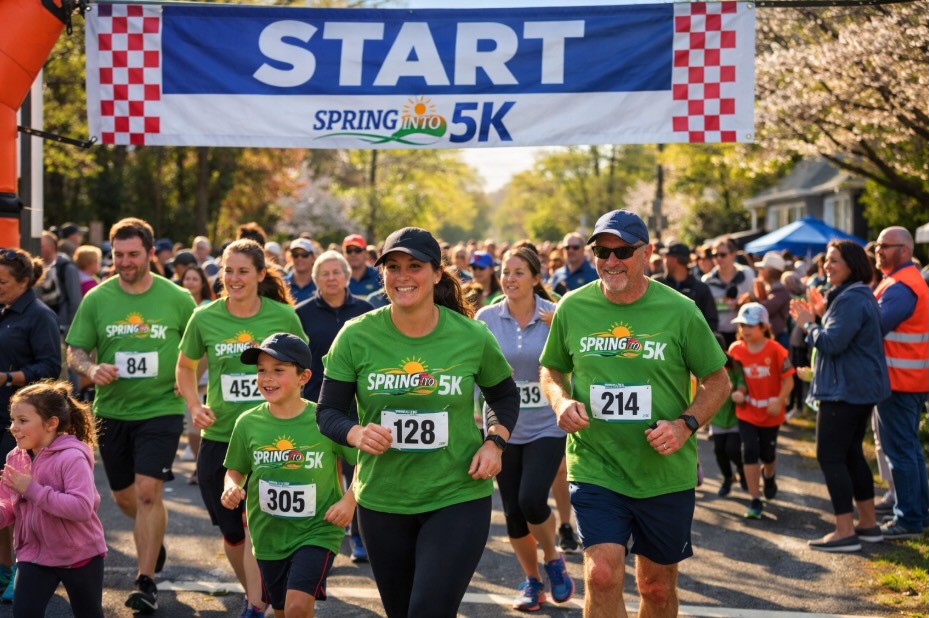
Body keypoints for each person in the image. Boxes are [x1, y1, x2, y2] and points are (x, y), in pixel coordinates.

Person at [316, 226, 520, 618]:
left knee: (428, 610)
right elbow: (328, 412)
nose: (402, 276)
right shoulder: (356, 335)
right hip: (382, 499)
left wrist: (495, 442)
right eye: (392, 267)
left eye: (414, 266)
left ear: (437, 273)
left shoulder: (471, 335)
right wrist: (355, 432)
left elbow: (504, 396)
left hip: (457, 495)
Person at [539, 209, 730, 617]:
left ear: (646, 253)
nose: (610, 261)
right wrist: (560, 401)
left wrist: (685, 425)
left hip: (663, 471)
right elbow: (551, 368)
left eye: (622, 251)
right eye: (601, 251)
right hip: (596, 464)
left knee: (656, 587)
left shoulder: (679, 310)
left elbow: (718, 380)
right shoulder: (572, 307)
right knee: (601, 575)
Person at [66, 217, 196, 614]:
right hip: (112, 410)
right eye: (117, 254)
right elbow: (76, 351)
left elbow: (201, 345)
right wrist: (90, 370)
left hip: (161, 409)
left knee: (146, 492)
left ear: (150, 254)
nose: (124, 261)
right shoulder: (98, 299)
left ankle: (146, 581)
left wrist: (188, 378)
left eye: (132, 254)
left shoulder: (177, 298)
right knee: (124, 496)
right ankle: (152, 542)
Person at [176, 238, 307, 618]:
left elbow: (303, 371)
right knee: (231, 529)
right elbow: (185, 367)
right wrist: (194, 405)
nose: (233, 278)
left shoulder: (282, 316)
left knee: (256, 525)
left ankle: (255, 602)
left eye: (243, 271)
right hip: (221, 436)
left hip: (270, 436)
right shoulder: (205, 317)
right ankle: (258, 590)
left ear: (260, 275)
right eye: (227, 270)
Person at [222, 333, 357, 618]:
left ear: (303, 377)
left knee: (297, 605)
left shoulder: (324, 420)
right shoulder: (247, 423)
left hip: (317, 530)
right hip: (268, 535)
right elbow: (236, 468)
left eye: (278, 370)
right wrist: (231, 486)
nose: (267, 378)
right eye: (261, 370)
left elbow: (364, 462)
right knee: (283, 611)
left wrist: (349, 501)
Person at [475, 247, 574, 611]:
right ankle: (533, 581)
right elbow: (476, 364)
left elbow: (576, 360)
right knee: (514, 511)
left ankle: (553, 558)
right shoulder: (486, 316)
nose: (510, 279)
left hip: (547, 425)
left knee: (532, 499)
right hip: (502, 425)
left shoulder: (556, 314)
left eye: (519, 272)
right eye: (506, 272)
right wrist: (474, 409)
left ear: (536, 278)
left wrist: (560, 330)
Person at [789, 240, 891, 551]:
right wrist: (820, 316)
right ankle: (868, 524)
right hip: (856, 388)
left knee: (831, 457)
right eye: (826, 261)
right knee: (851, 455)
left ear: (852, 264)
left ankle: (844, 531)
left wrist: (809, 326)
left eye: (834, 260)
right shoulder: (856, 295)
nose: (827, 266)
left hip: (845, 391)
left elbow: (832, 343)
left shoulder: (851, 299)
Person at [0, 380, 106, 617]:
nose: (14, 427)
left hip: (80, 555)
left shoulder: (72, 457)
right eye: (13, 420)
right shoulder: (14, 457)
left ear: (51, 424)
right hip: (33, 556)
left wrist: (32, 489)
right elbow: (8, 504)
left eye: (23, 421)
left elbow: (81, 508)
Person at [295, 250, 374, 562]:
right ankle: (316, 536)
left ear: (346, 276)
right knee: (319, 472)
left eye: (335, 272)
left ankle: (359, 536)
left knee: (357, 468)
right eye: (324, 273)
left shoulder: (366, 311)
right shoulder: (301, 313)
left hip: (358, 404)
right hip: (316, 404)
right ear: (315, 280)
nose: (330, 278)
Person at [0, 248, 62, 600]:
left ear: (24, 282)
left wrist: (8, 378)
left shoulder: (40, 316)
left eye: (3, 282)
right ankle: (4, 567)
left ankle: (22, 570)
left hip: (22, 423)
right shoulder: (3, 309)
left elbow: (51, 368)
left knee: (19, 497)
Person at [872, 227, 929, 539]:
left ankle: (908, 519)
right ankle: (918, 511)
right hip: (907, 379)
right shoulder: (901, 281)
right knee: (909, 449)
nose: (879, 251)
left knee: (901, 450)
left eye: (885, 246)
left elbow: (876, 326)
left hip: (899, 381)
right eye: (878, 245)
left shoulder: (902, 285)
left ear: (904, 251)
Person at [727, 303, 794, 519]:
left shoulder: (776, 350)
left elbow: (789, 382)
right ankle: (755, 499)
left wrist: (779, 401)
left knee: (767, 454)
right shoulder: (735, 349)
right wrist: (734, 392)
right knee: (750, 451)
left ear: (764, 326)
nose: (746, 329)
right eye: (742, 324)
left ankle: (770, 473)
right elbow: (730, 378)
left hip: (771, 414)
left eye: (751, 325)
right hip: (746, 412)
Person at [702, 236, 756, 348]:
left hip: (743, 333)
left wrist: (744, 302)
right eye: (715, 255)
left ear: (733, 254)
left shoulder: (747, 274)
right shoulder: (707, 280)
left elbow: (755, 300)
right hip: (716, 334)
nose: (718, 258)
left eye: (722, 255)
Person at [711, 333, 746, 497]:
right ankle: (727, 478)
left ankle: (742, 469)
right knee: (719, 451)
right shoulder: (704, 364)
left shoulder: (733, 364)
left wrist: (740, 392)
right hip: (716, 418)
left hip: (734, 417)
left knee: (732, 449)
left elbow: (741, 382)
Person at [655, 242, 719, 332]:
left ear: (674, 260)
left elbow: (711, 322)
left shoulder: (701, 289)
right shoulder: (656, 284)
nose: (664, 261)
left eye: (666, 257)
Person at [741, 251, 791, 349]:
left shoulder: (780, 291)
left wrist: (754, 296)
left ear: (769, 271)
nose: (760, 271)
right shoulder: (773, 290)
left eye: (762, 269)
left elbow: (764, 309)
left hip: (779, 338)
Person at [38, 230, 82, 336]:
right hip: (44, 324)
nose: (38, 249)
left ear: (52, 247)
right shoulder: (38, 268)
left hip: (62, 325)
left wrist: (71, 327)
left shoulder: (66, 268)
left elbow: (75, 299)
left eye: (41, 246)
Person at [284, 238, 318, 304]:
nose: (300, 258)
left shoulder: (320, 284)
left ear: (313, 257)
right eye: (295, 255)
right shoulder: (282, 284)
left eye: (304, 255)